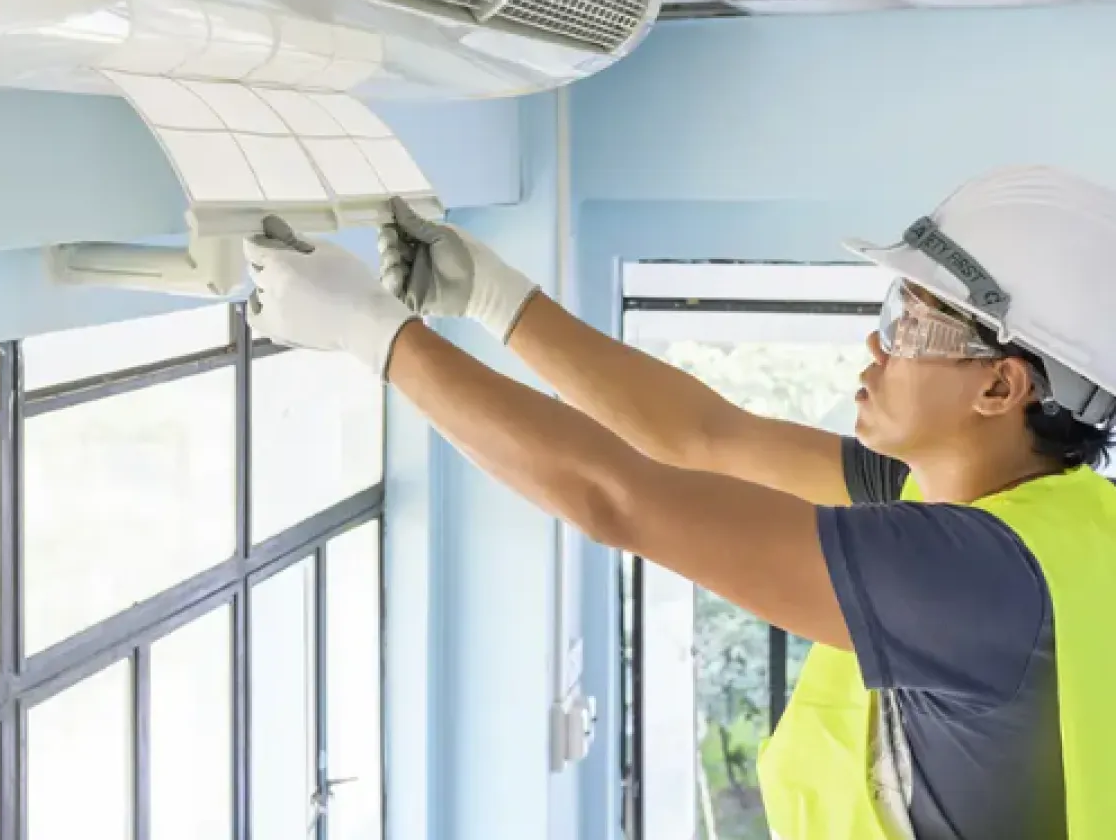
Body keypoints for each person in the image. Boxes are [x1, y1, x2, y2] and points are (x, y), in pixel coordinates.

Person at [242, 165, 1116, 840]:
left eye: (911, 324)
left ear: (1001, 388)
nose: (876, 346)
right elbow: (703, 437)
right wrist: (495, 299)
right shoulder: (1039, 517)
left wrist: (374, 335)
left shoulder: (975, 577)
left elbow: (617, 498)